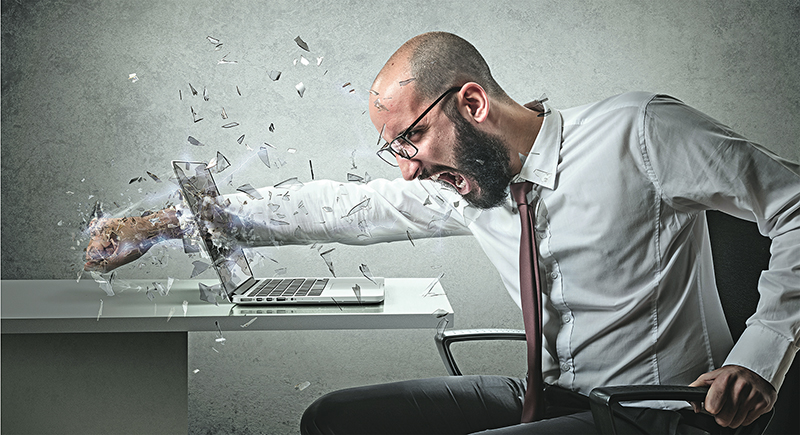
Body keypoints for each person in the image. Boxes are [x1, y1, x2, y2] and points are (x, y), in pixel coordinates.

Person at [85, 32, 799, 434]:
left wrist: (761, 354)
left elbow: (793, 201)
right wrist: (162, 225)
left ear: (472, 102)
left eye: (411, 139)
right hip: (549, 395)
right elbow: (335, 206)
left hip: (656, 414)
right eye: (393, 151)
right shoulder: (474, 187)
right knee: (336, 421)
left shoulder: (639, 132)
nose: (406, 171)